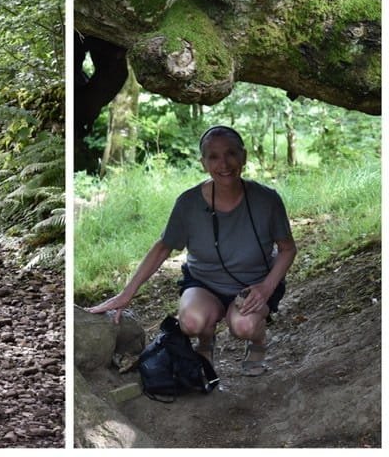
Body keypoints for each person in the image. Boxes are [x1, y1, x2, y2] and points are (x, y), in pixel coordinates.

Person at [89, 125, 297, 376]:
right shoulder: (188, 203)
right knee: (190, 321)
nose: (224, 163)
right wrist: (126, 294)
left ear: (243, 156)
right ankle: (206, 343)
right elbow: (163, 247)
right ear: (203, 163)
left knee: (243, 325)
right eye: (214, 156)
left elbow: (287, 249)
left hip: (253, 286)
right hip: (204, 283)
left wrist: (266, 288)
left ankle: (258, 342)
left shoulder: (267, 199)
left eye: (231, 153)